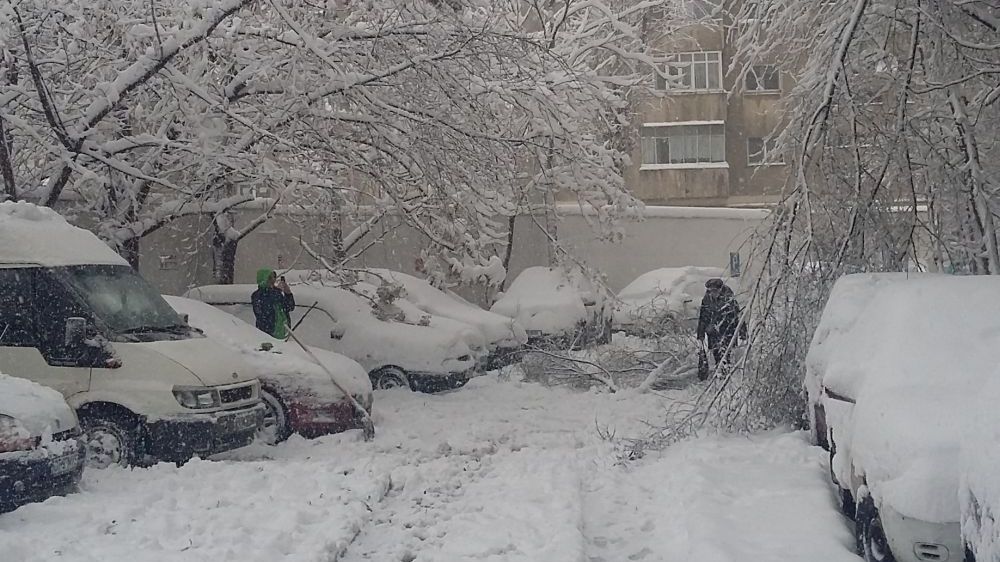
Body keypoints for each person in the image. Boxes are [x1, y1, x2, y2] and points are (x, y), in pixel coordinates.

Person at [696, 278, 746, 380]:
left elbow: (738, 316)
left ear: (720, 289)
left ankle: (726, 378)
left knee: (726, 356)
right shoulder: (706, 300)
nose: (712, 294)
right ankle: (720, 376)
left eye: (714, 291)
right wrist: (700, 335)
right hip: (713, 334)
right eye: (710, 291)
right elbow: (703, 318)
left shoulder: (729, 299)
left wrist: (742, 331)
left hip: (728, 332)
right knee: (717, 355)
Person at [252, 268, 295, 339]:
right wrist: (277, 291)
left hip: (283, 333)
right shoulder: (257, 295)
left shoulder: (276, 293)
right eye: (269, 278)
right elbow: (266, 310)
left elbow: (290, 307)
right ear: (263, 280)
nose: (273, 280)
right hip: (268, 335)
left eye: (274, 277)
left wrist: (288, 294)